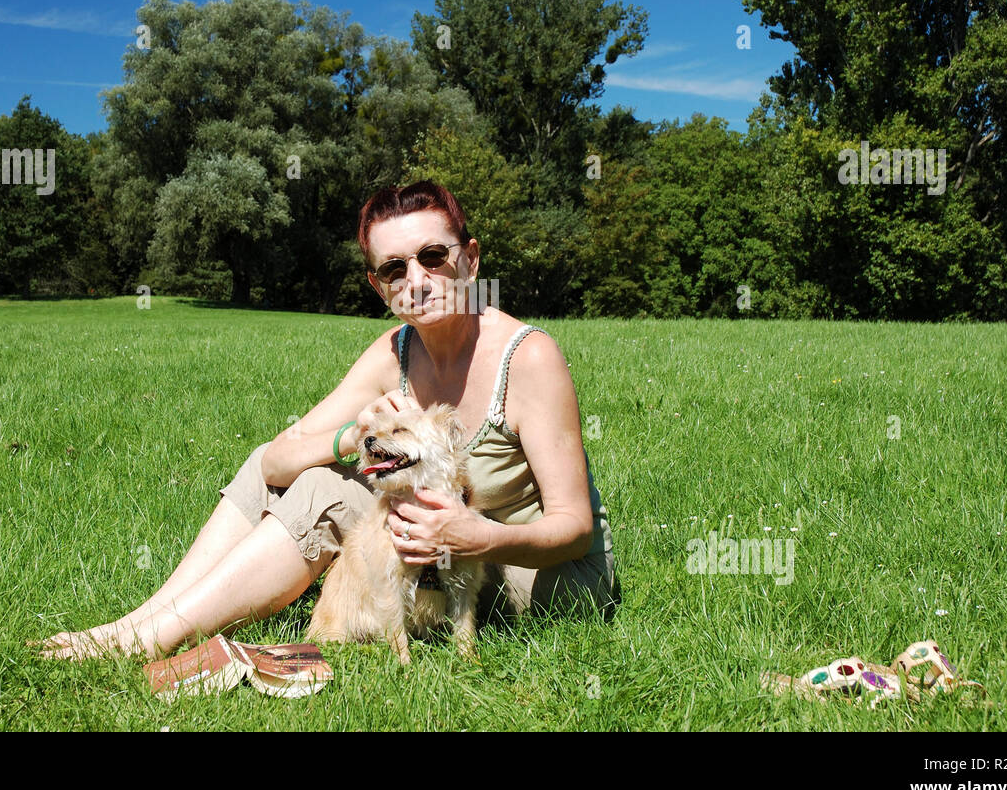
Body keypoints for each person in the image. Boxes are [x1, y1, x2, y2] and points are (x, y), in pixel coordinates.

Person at [32, 180, 619, 661]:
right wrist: (353, 434)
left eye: (433, 257)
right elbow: (271, 461)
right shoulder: (395, 352)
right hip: (436, 561)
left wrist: (481, 535)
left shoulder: (529, 357)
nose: (416, 281)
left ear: (470, 259)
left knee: (328, 491)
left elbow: (573, 527)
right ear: (377, 284)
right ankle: (143, 623)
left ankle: (151, 638)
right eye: (394, 269)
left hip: (534, 570)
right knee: (316, 476)